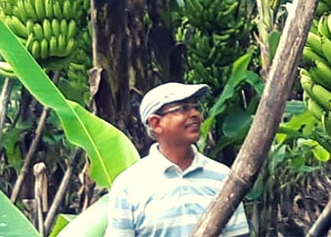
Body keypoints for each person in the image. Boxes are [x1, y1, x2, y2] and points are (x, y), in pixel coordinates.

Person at [106, 82, 249, 236]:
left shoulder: (222, 177)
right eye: (183, 109)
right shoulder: (129, 185)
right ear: (156, 123)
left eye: (195, 107)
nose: (195, 114)